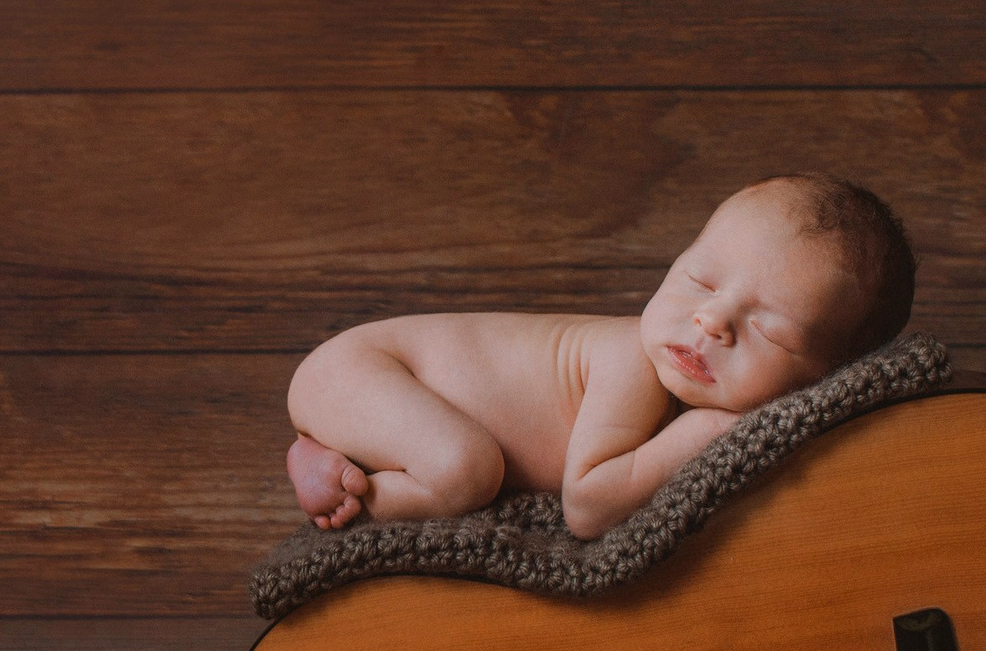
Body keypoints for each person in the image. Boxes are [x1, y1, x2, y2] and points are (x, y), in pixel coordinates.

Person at [285, 174, 915, 539]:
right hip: (368, 369)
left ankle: (349, 452)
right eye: (699, 280)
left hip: (380, 389)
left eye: (771, 334)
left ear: (826, 378)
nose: (711, 320)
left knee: (463, 465)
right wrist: (712, 429)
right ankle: (343, 478)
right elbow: (587, 507)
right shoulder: (629, 361)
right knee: (464, 471)